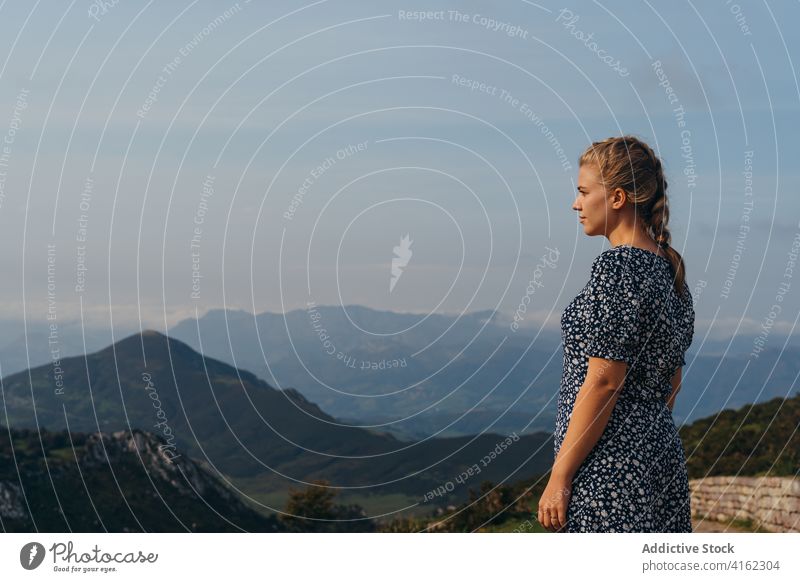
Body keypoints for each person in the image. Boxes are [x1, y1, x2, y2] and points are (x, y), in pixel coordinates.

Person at [537, 135, 695, 533]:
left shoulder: (619, 268)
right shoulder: (670, 272)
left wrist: (561, 476)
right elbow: (671, 384)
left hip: (608, 470)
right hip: (659, 460)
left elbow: (605, 381)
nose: (576, 203)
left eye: (584, 192)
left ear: (618, 198)